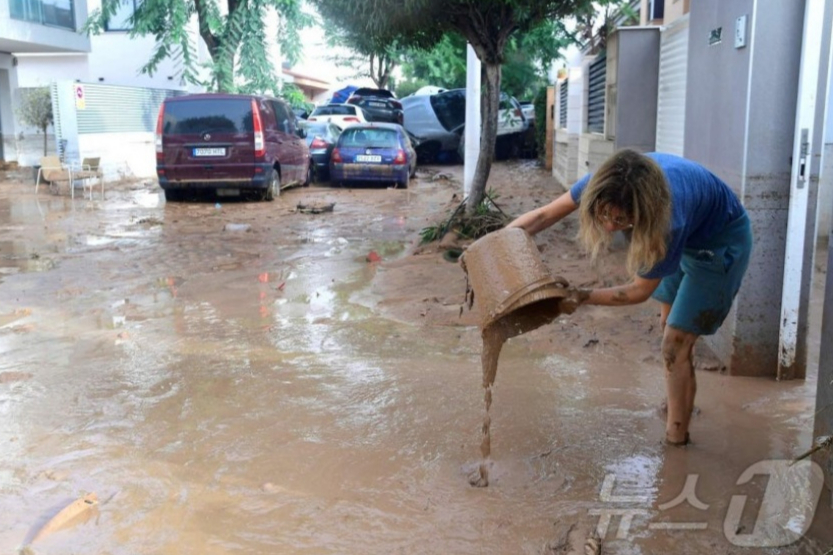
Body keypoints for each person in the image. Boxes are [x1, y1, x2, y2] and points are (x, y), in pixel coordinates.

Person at [508, 149, 753, 446]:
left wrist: (577, 296)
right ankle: (677, 400)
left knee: (675, 342)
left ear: (641, 211)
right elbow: (544, 215)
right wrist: (490, 246)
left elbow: (637, 292)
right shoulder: (605, 183)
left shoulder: (667, 222)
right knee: (667, 324)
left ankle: (677, 438)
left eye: (621, 219)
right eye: (604, 216)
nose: (610, 227)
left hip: (720, 242)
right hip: (690, 231)